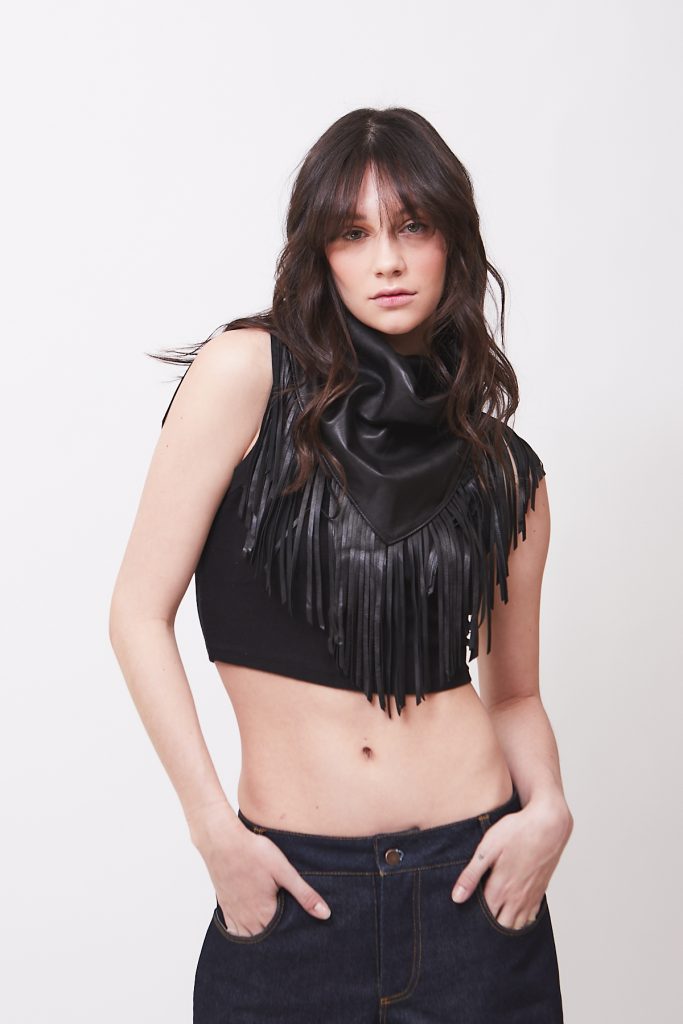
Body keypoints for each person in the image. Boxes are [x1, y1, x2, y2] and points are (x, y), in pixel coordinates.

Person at [109, 107, 573, 1022]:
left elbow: (513, 693)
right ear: (319, 251)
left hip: (474, 895)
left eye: (412, 226)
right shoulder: (245, 375)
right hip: (293, 895)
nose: (386, 261)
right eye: (353, 234)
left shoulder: (502, 468)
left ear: (453, 242)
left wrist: (549, 808)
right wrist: (214, 832)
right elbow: (136, 612)